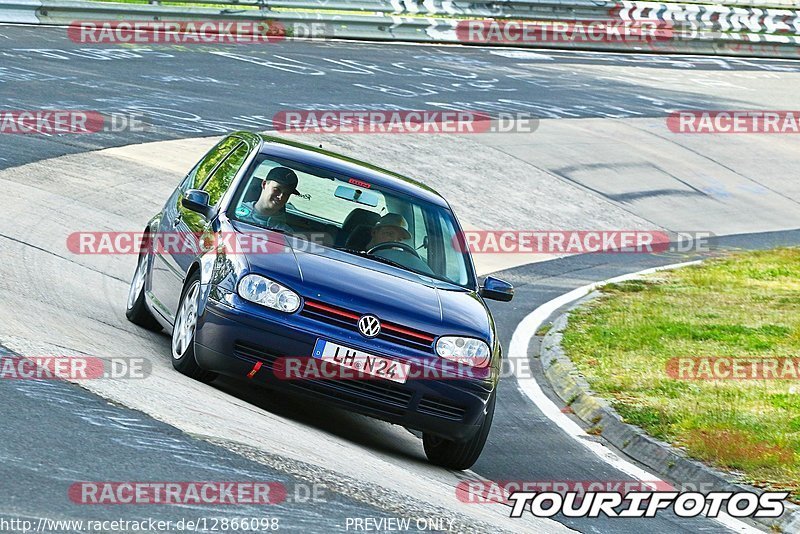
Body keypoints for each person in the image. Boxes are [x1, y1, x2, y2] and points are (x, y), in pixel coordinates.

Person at [235, 167, 299, 233]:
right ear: (264, 184)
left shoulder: (286, 233)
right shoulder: (234, 212)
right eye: (276, 190)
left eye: (286, 194)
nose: (281, 196)